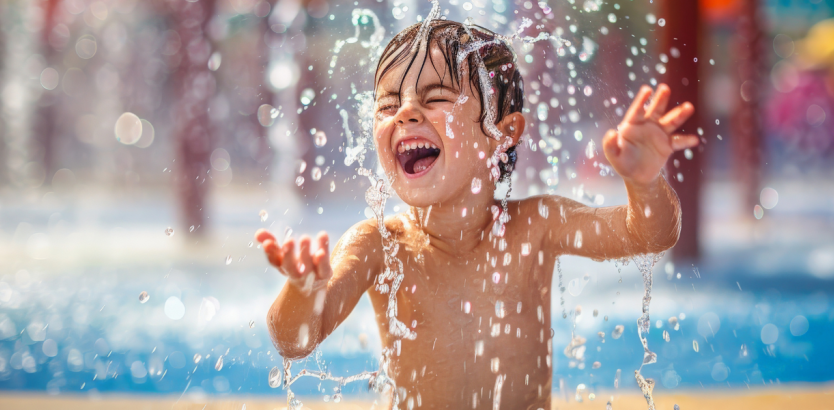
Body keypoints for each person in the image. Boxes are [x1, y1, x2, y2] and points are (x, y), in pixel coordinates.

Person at [254, 20, 698, 409]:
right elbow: (295, 341)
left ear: (503, 132)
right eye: (388, 104)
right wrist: (303, 291)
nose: (405, 112)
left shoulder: (537, 225)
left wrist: (644, 183)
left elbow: (649, 235)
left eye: (435, 98)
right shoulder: (379, 245)